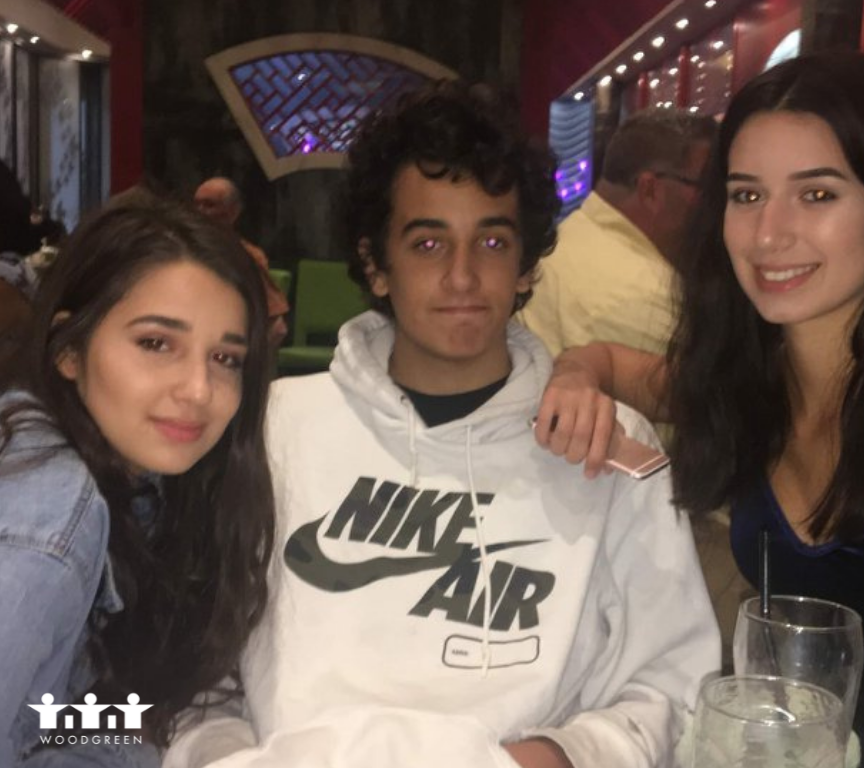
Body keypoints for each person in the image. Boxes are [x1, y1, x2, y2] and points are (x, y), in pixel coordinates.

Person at [163, 81, 719, 768]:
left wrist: (547, 760)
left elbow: (674, 684)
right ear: (376, 264)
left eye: (491, 240)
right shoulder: (274, 428)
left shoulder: (610, 444)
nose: (462, 277)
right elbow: (195, 673)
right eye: (428, 244)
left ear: (524, 267)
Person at [534, 51, 864, 767]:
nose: (768, 234)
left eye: (817, 195)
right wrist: (576, 375)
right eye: (746, 194)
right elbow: (609, 361)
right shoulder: (751, 390)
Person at [0, 201, 276, 766]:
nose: (200, 389)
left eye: (225, 357)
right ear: (69, 349)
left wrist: (129, 729)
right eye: (156, 343)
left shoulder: (130, 475)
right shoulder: (49, 515)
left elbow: (52, 710)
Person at [520, 111, 715, 358]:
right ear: (650, 190)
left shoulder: (574, 233)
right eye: (709, 187)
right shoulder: (646, 299)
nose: (720, 204)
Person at [193, 177, 289, 348]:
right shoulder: (182, 251)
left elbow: (277, 327)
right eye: (197, 204)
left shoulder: (246, 257)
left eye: (209, 205)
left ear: (233, 212)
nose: (200, 211)